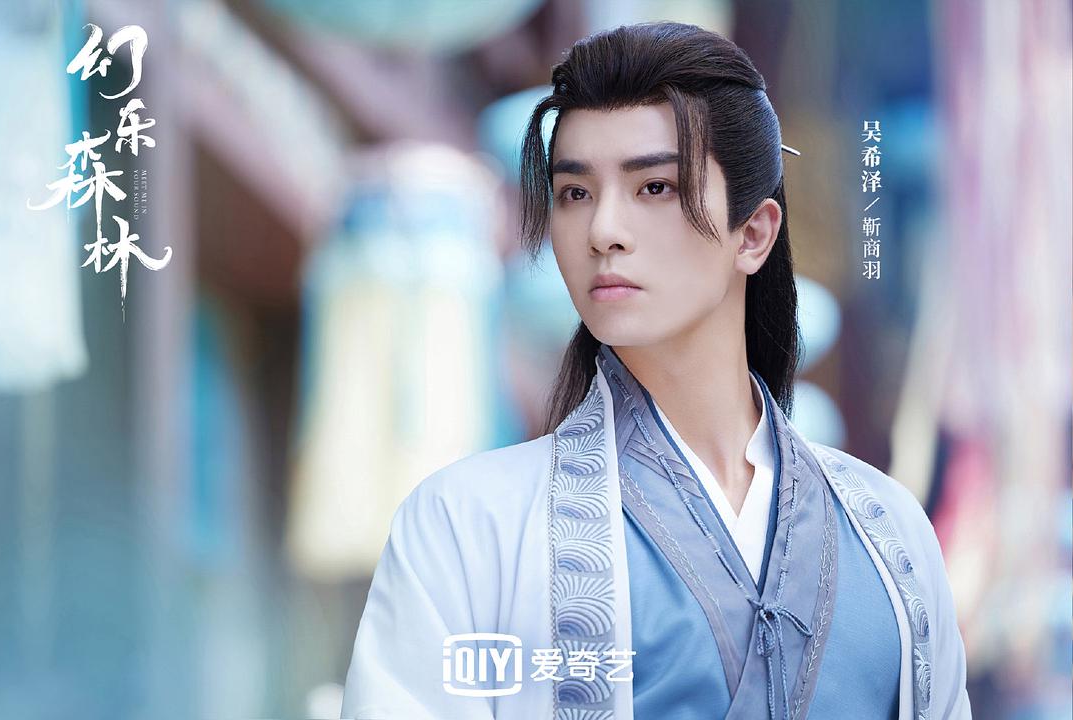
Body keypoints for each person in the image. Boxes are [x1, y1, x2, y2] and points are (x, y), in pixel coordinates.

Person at [341, 21, 971, 720]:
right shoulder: (467, 523)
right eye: (575, 192)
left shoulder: (890, 531)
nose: (603, 230)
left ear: (753, 233)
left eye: (655, 187)